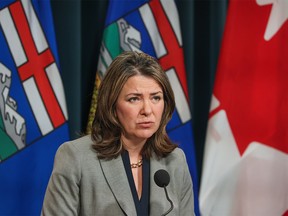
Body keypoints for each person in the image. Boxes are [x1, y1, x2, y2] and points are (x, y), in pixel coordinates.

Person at [41, 51, 195, 216]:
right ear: (112, 105)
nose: (147, 110)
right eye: (134, 99)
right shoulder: (76, 157)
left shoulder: (175, 161)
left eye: (156, 98)